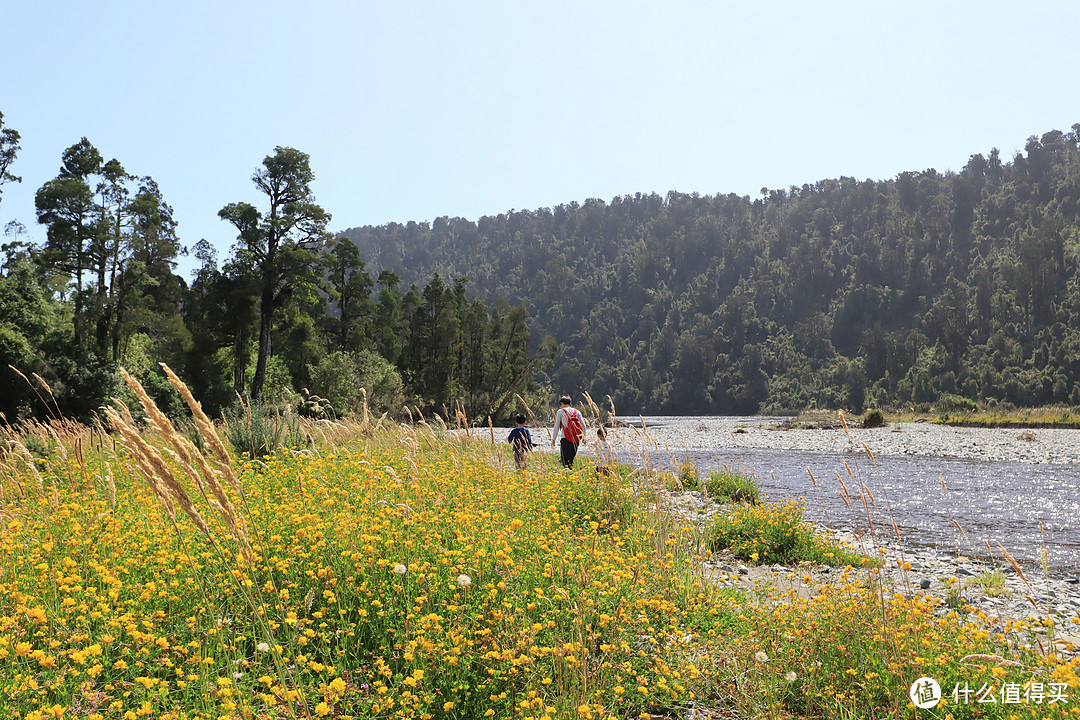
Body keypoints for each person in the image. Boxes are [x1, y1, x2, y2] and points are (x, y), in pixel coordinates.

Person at [551, 395, 584, 469]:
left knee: (565, 461)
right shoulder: (577, 412)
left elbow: (556, 427)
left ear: (561, 403)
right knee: (571, 461)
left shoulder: (560, 411)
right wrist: (584, 437)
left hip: (565, 438)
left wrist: (553, 440)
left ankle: (567, 475)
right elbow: (583, 426)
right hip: (576, 439)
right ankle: (571, 474)